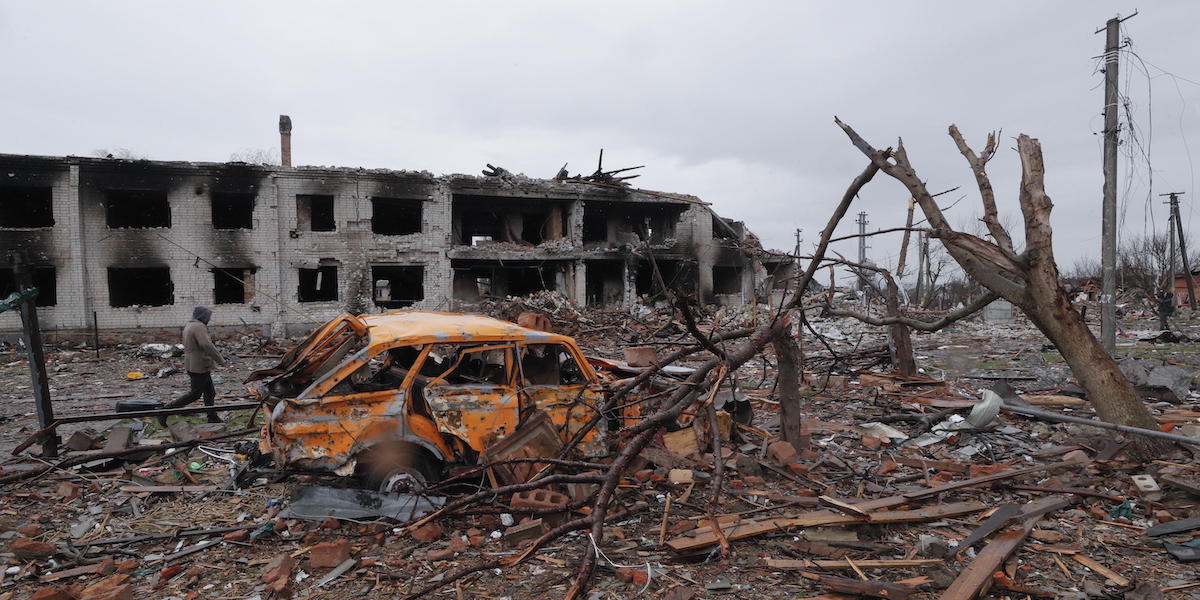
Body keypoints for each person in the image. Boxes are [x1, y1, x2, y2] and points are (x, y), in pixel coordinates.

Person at [161, 306, 226, 425]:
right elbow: (206, 345)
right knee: (194, 394)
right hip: (199, 365)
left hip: (193, 363)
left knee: (210, 392)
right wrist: (220, 359)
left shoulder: (190, 325)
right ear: (203, 316)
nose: (209, 319)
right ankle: (165, 411)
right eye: (208, 316)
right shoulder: (199, 327)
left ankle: (211, 416)